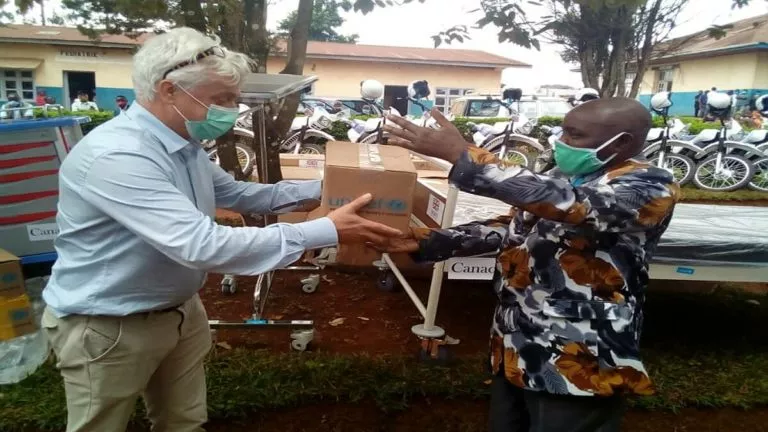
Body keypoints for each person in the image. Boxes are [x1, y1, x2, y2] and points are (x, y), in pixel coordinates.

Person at [41, 27, 403, 432]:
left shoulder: (182, 143)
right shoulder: (119, 156)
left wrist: (334, 189)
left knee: (184, 421)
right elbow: (202, 245)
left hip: (179, 311)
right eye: (221, 100)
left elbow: (240, 193)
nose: (232, 110)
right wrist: (326, 230)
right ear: (169, 91)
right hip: (110, 325)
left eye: (234, 99)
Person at [380, 98, 679, 432]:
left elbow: (568, 205)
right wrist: (428, 241)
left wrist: (462, 154)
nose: (561, 141)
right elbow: (515, 228)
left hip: (581, 353)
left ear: (622, 141)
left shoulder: (649, 185)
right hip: (519, 343)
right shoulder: (567, 174)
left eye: (574, 134)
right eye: (563, 130)